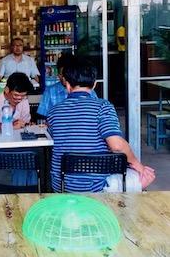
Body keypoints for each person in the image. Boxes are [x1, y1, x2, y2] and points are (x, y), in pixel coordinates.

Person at [47, 55, 155, 193]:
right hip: (96, 188)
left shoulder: (54, 112)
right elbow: (116, 146)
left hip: (61, 186)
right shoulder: (103, 107)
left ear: (67, 85)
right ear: (94, 84)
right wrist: (138, 165)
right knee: (145, 177)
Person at [37, 53, 97, 117]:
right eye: (61, 74)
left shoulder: (87, 90)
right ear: (58, 74)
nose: (64, 78)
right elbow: (42, 116)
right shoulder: (50, 91)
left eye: (66, 75)